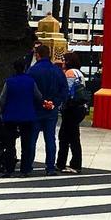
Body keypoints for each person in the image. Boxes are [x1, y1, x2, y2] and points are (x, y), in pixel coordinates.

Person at [28, 45, 68, 175]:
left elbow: (29, 90)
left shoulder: (33, 71)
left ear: (38, 55)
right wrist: (54, 103)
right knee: (50, 139)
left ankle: (28, 165)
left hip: (36, 108)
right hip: (51, 110)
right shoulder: (57, 71)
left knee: (32, 139)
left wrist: (41, 101)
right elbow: (64, 91)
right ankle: (50, 166)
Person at [0, 60, 42, 177]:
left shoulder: (9, 82)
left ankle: (9, 169)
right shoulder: (30, 81)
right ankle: (25, 169)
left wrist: (1, 110)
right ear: (25, 68)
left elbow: (2, 100)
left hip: (10, 115)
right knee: (26, 143)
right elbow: (38, 96)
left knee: (10, 144)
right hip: (27, 115)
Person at [56, 51, 86, 174]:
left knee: (66, 137)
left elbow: (67, 91)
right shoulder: (80, 73)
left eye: (64, 60)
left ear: (68, 61)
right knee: (72, 135)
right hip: (79, 108)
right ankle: (68, 162)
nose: (62, 62)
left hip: (71, 108)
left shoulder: (69, 73)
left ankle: (70, 163)